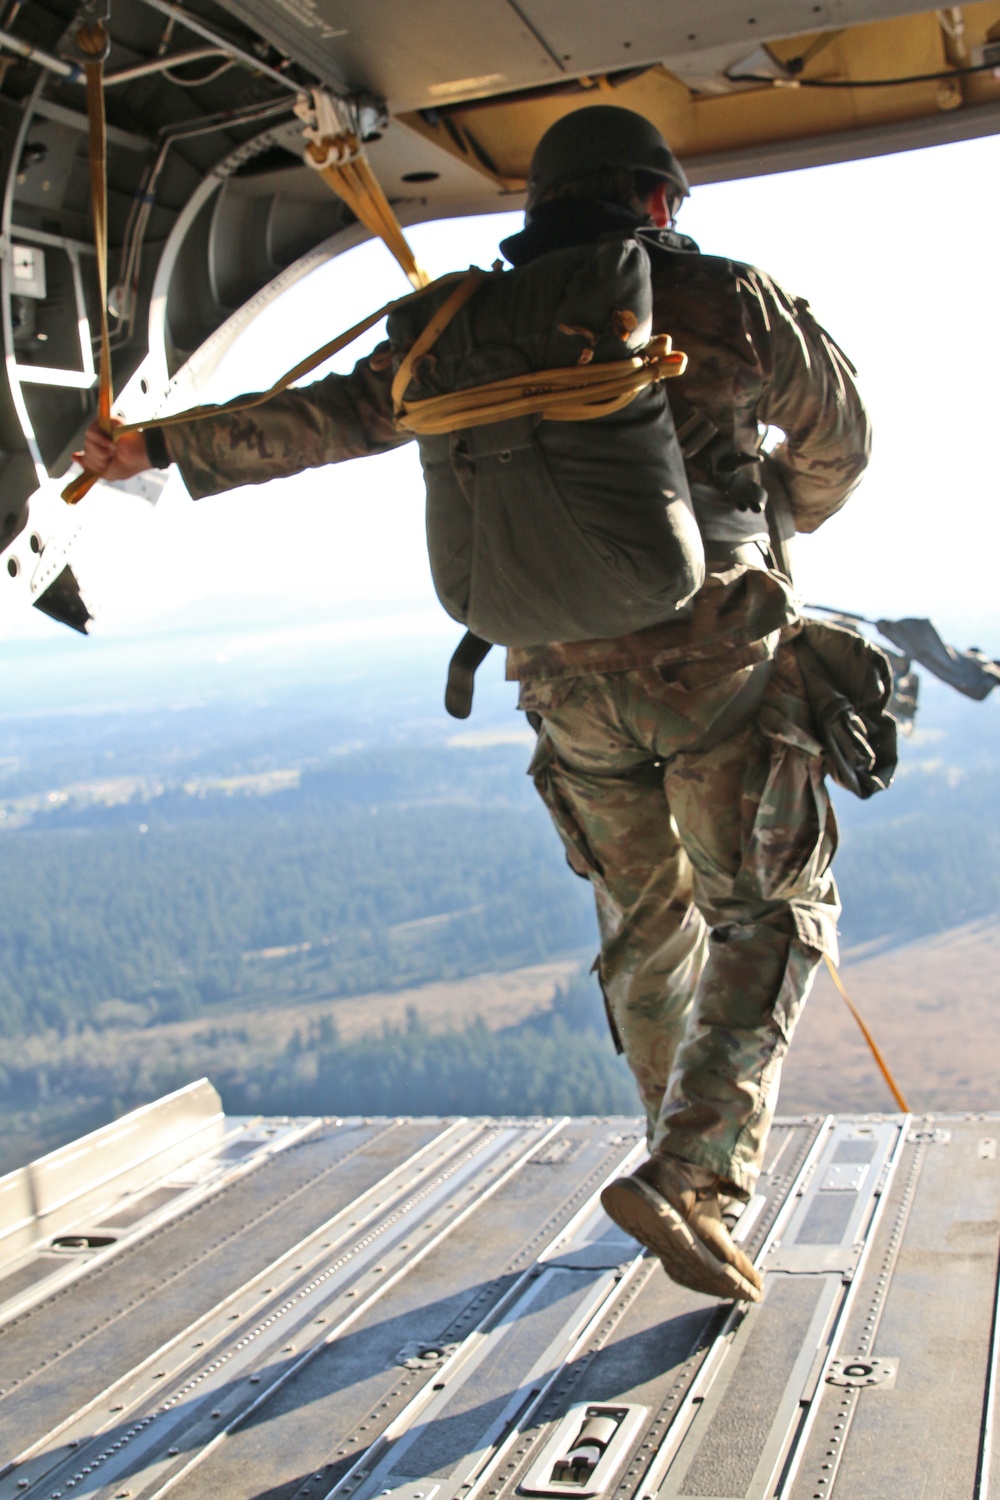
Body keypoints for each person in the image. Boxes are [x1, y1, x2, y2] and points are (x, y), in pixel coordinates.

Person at [78, 105, 870, 1306]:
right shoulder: (724, 302)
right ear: (657, 203)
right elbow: (840, 445)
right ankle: (695, 1178)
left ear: (542, 207)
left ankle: (674, 1147)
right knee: (767, 908)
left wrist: (155, 448)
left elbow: (324, 421)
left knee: (642, 924)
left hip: (557, 678)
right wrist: (777, 519)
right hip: (712, 662)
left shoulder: (446, 325)